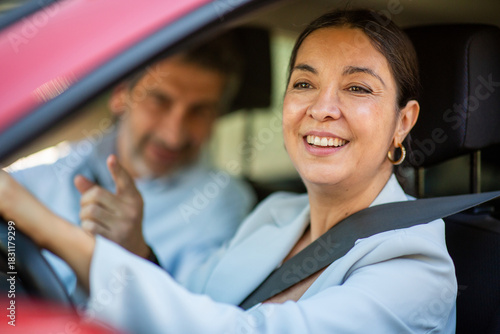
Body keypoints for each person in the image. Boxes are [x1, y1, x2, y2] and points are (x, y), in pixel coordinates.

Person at [0, 9, 457, 333]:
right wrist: (135, 247)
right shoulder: (276, 213)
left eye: (357, 87)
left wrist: (40, 223)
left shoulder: (416, 267)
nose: (322, 109)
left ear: (403, 121)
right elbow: (192, 304)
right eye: (304, 83)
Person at [5, 32, 256, 296]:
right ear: (120, 95)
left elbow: (197, 316)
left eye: (200, 111)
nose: (173, 136)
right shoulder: (56, 167)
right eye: (160, 101)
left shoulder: (224, 201)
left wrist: (139, 253)